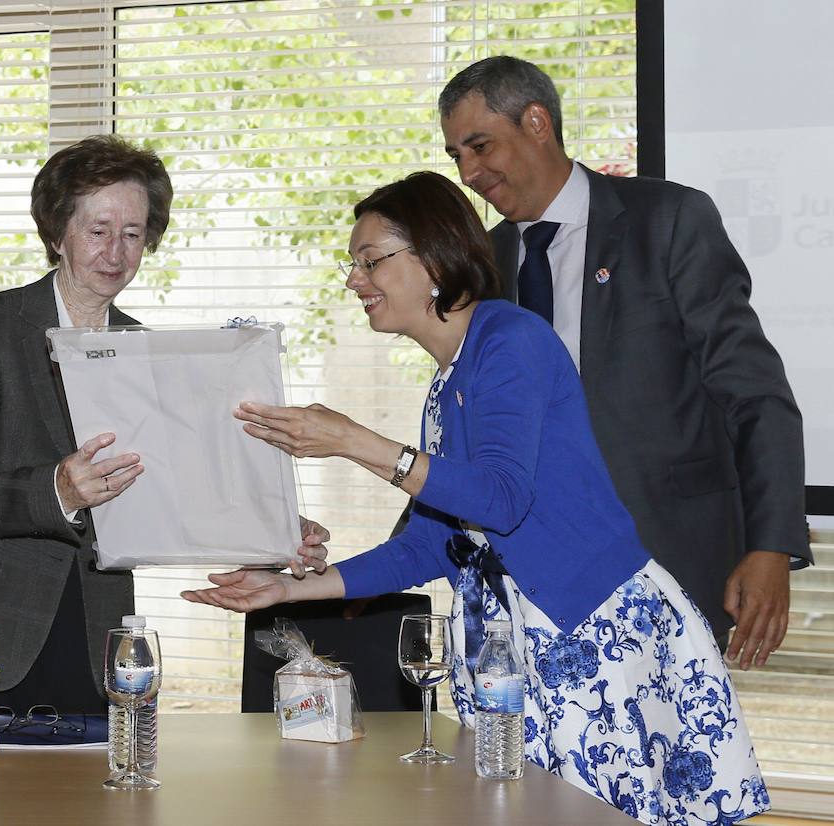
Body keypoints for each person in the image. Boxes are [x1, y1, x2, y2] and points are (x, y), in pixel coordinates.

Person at [184, 172, 770, 825]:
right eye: (353, 264)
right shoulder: (447, 380)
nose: (355, 280)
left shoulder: (509, 340)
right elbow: (431, 546)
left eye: (371, 260)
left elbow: (502, 500)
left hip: (599, 640)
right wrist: (288, 592)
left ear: (434, 260)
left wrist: (354, 440)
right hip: (519, 653)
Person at [0, 135, 329, 714]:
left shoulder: (146, 350)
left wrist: (272, 531)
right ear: (56, 233)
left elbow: (178, 490)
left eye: (133, 234)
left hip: (93, 634)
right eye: (98, 230)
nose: (115, 252)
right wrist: (57, 490)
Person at [438, 56, 808, 670]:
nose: (470, 172)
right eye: (457, 156)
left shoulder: (668, 221)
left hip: (662, 565)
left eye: (480, 146)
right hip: (525, 580)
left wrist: (770, 547)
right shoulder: (483, 265)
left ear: (536, 122)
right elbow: (465, 425)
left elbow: (755, 394)